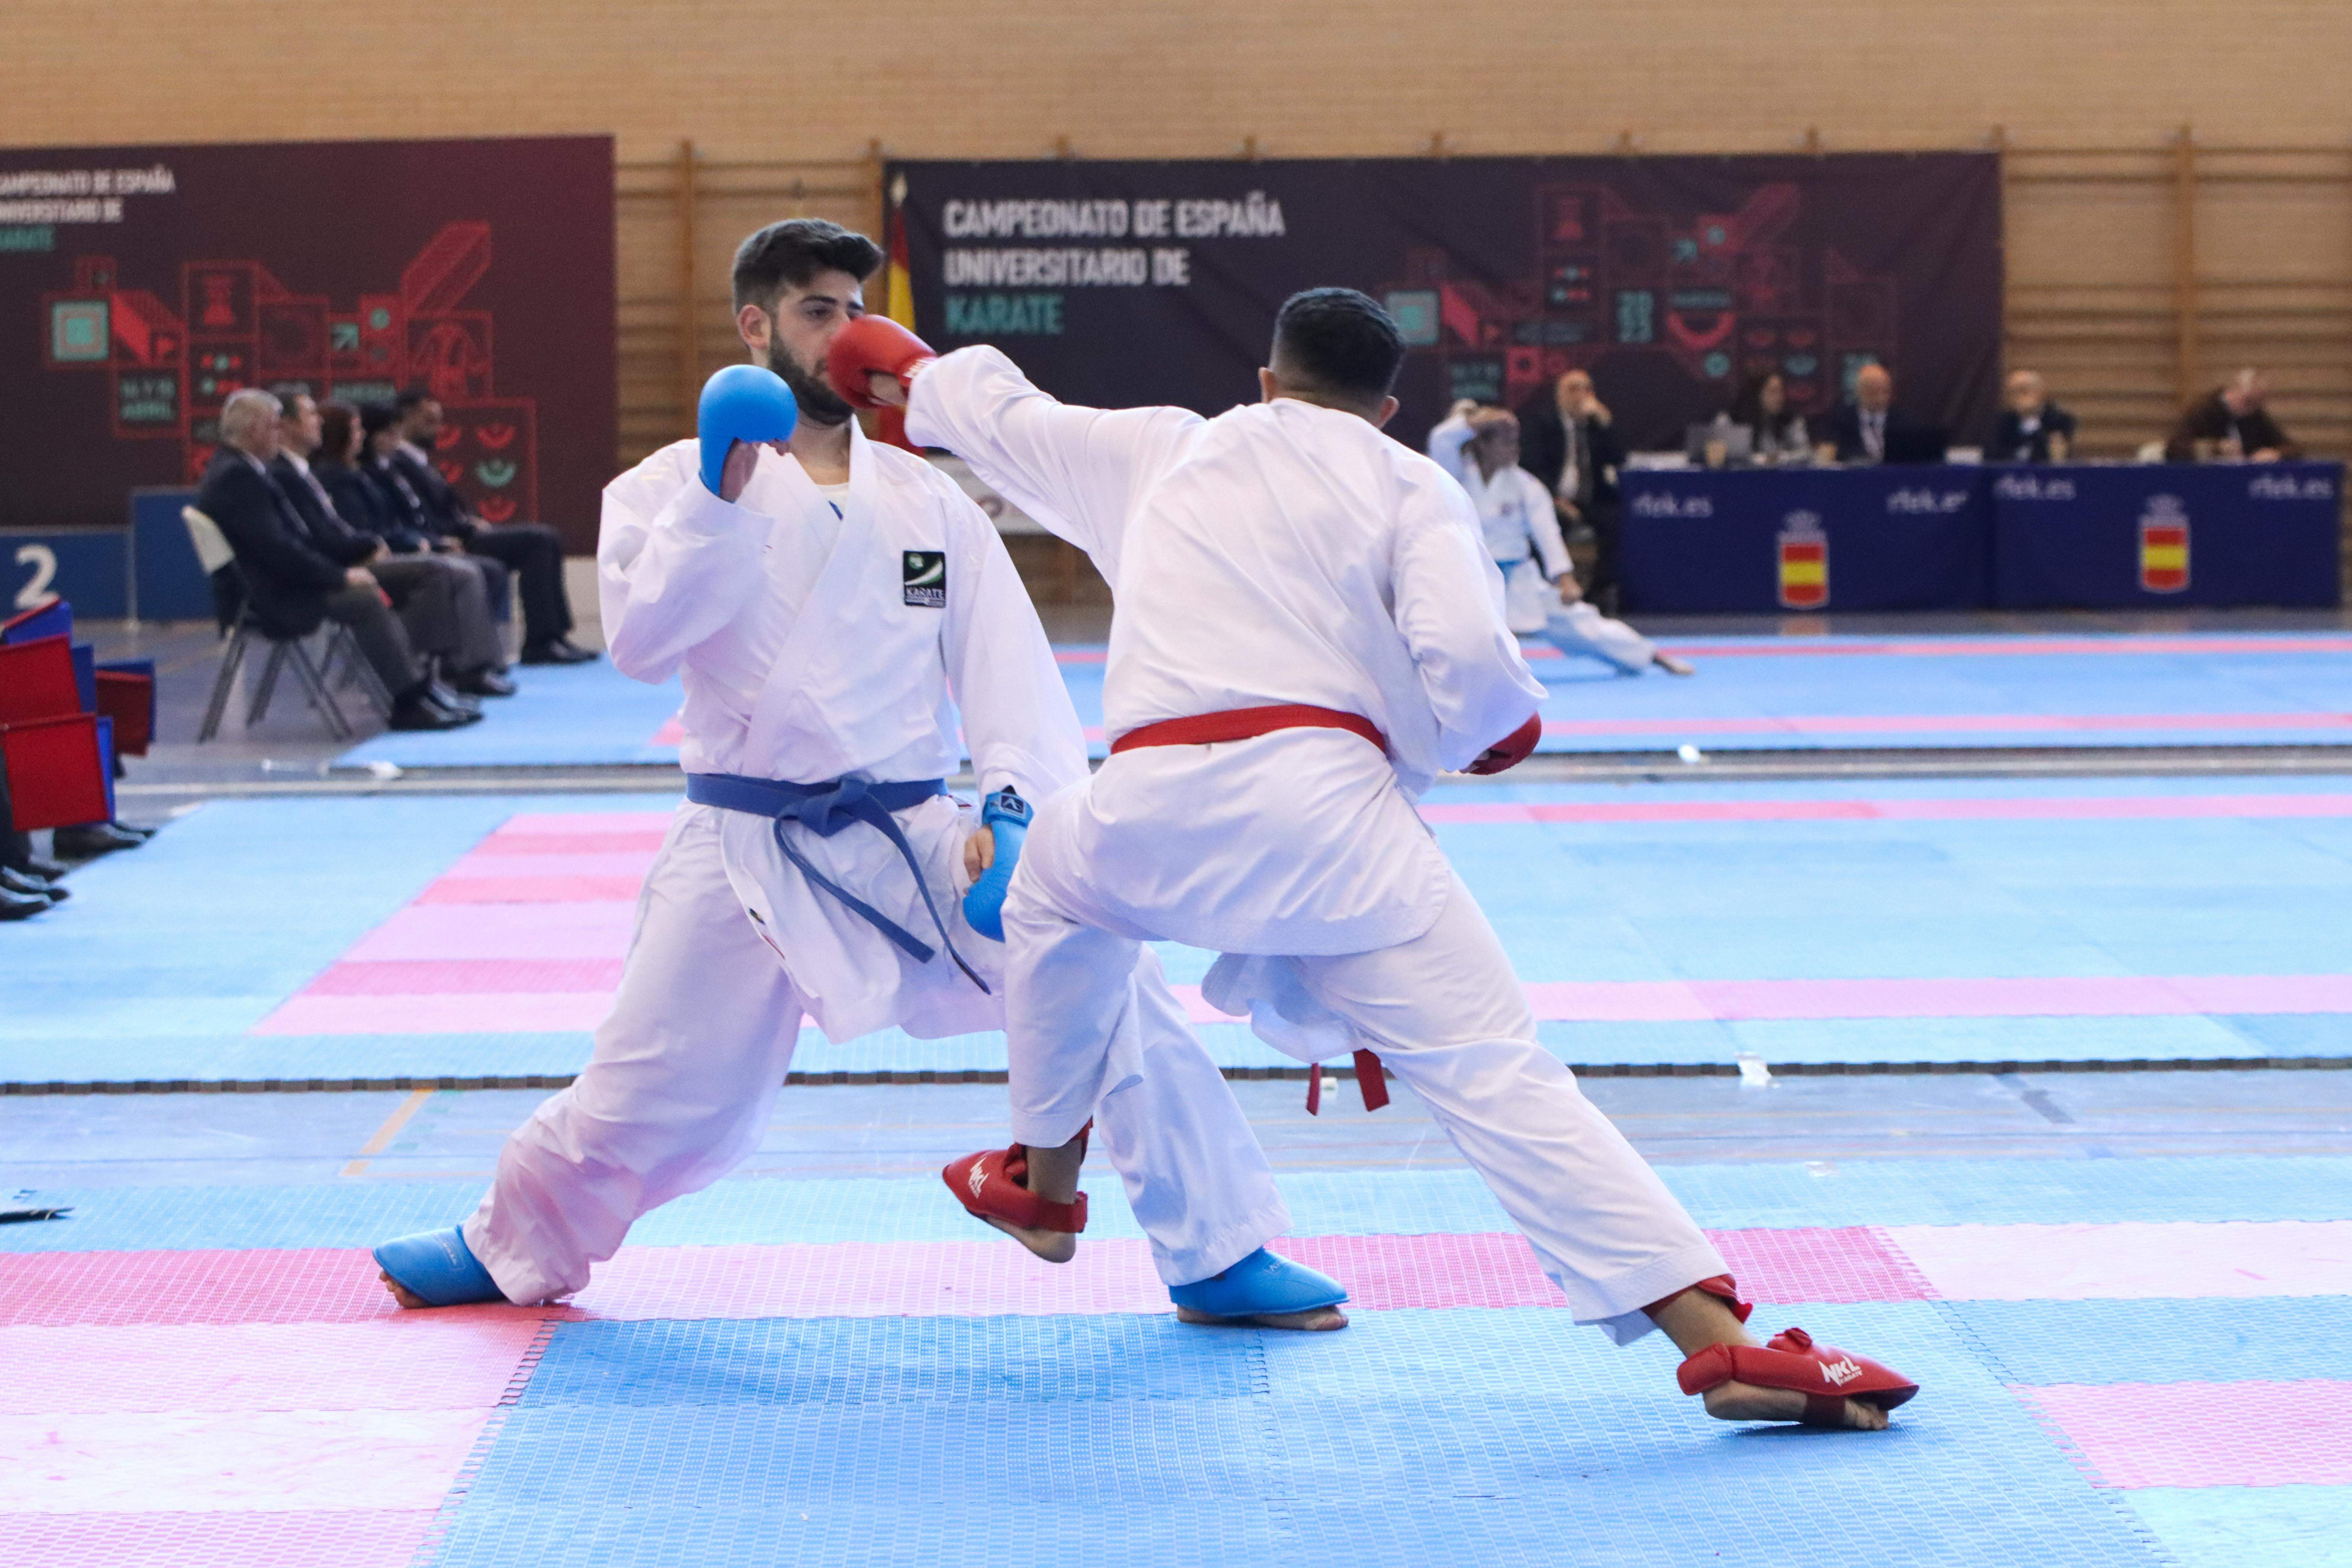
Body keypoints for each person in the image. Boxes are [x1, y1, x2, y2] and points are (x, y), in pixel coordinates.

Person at [850, 288, 1919, 1429]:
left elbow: (1008, 416)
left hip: (1147, 807)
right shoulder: (1412, 483)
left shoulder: (1166, 449)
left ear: (1267, 381)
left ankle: (1042, 1179)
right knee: (1500, 1074)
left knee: (1052, 894)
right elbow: (1470, 661)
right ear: (1387, 408)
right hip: (1333, 830)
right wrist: (1488, 732)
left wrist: (911, 376)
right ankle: (1722, 1343)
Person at [370, 219, 1338, 1333]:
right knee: (655, 1088)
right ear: (756, 326)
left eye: (856, 310)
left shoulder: (927, 500)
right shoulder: (669, 484)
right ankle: (509, 1241)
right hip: (742, 846)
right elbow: (638, 643)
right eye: (817, 311)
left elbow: (1005, 667)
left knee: (1105, 968)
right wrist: (717, 493)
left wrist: (1013, 811)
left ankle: (1217, 1251)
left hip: (912, 830)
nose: (845, 334)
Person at [194, 390, 474, 732]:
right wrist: (339, 576)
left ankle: (419, 690)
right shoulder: (237, 478)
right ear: (254, 430)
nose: (278, 435)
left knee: (379, 587)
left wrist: (339, 571)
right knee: (364, 598)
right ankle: (408, 700)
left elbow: (290, 543)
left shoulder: (244, 470)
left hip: (280, 584)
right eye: (274, 427)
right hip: (270, 597)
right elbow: (279, 550)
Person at [1427, 403, 1692, 677]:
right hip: (1469, 580)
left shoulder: (1527, 486)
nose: (1515, 449)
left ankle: (1650, 655)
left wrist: (1565, 578)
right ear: (1483, 444)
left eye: (1516, 442)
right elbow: (1441, 439)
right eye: (1506, 442)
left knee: (1581, 624)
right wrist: (1481, 421)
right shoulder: (1455, 475)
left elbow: (1547, 534)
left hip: (1517, 578)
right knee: (1444, 633)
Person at [278, 396, 513, 699]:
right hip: (351, 563)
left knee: (455, 570)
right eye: (356, 429)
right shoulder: (326, 476)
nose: (318, 423)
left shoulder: (323, 474)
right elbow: (333, 534)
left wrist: (402, 543)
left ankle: (443, 670)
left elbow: (346, 529)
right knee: (442, 573)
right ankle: (422, 676)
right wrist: (373, 546)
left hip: (366, 553)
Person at [389, 390, 597, 665]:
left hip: (461, 532)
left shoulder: (422, 462)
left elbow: (448, 506)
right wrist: (461, 529)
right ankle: (541, 641)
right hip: (450, 539)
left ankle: (554, 635)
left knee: (548, 538)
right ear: (406, 417)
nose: (437, 429)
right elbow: (420, 515)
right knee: (538, 541)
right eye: (429, 421)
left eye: (438, 422)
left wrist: (470, 520)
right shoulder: (399, 464)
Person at [1515, 369, 1626, 611]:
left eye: (1586, 389)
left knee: (1615, 520)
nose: (1581, 395)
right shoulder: (1543, 424)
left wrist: (1605, 423)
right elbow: (1533, 469)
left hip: (1590, 500)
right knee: (1546, 525)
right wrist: (1556, 500)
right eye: (1573, 389)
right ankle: (1548, 590)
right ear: (1560, 395)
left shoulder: (1596, 426)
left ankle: (1599, 592)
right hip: (1553, 500)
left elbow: (1619, 458)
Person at [1818, 364, 1944, 465]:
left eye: (1884, 391)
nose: (1880, 398)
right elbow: (1825, 456)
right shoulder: (1840, 420)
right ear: (1859, 391)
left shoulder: (1905, 422)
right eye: (1872, 392)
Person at [2165, 367, 2298, 462]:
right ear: (2235, 390)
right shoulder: (2204, 410)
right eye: (2247, 401)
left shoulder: (2256, 416)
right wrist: (2216, 449)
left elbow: (2293, 449)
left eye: (2257, 404)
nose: (2250, 409)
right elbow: (2174, 448)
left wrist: (2276, 454)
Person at [1985, 370, 2076, 464]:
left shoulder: (2059, 420)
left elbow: (2059, 455)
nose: (2022, 397)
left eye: (2026, 391)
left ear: (2041, 392)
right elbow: (1991, 454)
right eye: (2016, 392)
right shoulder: (2001, 423)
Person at [1726, 371, 1810, 465]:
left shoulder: (1791, 420)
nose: (1779, 398)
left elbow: (1805, 452)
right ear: (1758, 394)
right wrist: (1760, 459)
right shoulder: (1737, 421)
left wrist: (1783, 457)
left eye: (1781, 392)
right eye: (1773, 392)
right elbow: (1733, 455)